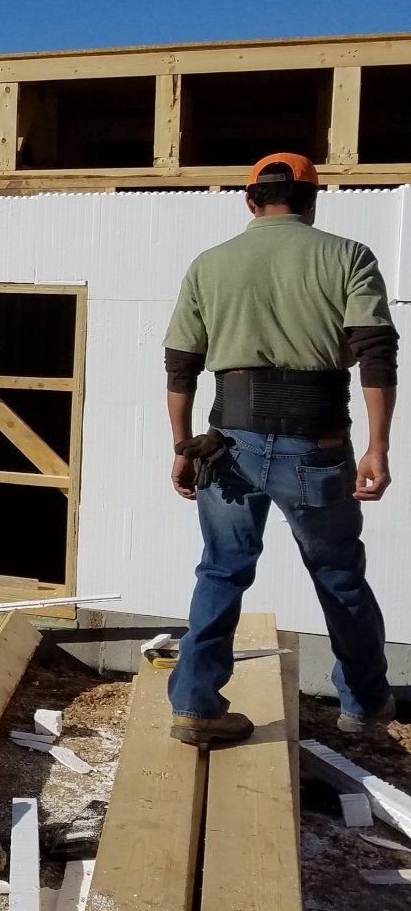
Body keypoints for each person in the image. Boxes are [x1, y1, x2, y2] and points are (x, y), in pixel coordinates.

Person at [162, 152, 398, 746]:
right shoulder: (348, 256)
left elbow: (181, 365)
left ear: (250, 201)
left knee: (221, 570)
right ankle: (366, 709)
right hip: (315, 444)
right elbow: (375, 352)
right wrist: (377, 448)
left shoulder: (208, 264)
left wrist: (182, 446)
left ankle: (194, 705)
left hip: (227, 445)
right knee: (339, 574)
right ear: (311, 200)